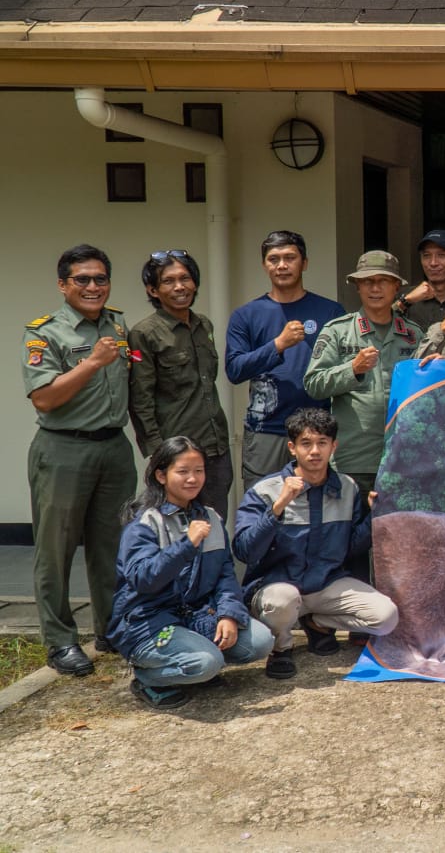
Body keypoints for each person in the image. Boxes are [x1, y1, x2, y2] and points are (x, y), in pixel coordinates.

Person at [23, 244, 138, 675]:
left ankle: (111, 629)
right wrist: (91, 363)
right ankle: (60, 641)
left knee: (113, 546)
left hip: (113, 446)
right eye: (82, 280)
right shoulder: (43, 333)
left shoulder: (119, 323)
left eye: (100, 279)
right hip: (63, 448)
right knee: (56, 550)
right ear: (63, 285)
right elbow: (45, 397)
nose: (93, 287)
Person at [107, 436, 274, 709]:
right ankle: (148, 678)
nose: (192, 479)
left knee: (260, 641)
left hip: (195, 617)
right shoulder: (145, 523)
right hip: (148, 624)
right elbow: (143, 579)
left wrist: (228, 615)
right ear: (161, 475)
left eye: (198, 471)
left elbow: (225, 575)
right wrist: (187, 544)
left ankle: (193, 665)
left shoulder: (210, 518)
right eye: (182, 471)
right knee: (207, 662)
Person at [234, 408, 399, 680]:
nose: (314, 451)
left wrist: (373, 516)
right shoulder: (266, 490)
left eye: (322, 443)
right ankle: (281, 647)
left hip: (326, 583)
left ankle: (316, 622)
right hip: (277, 586)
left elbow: (351, 548)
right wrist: (278, 508)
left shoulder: (348, 487)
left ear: (334, 446)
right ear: (292, 448)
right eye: (306, 444)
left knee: (386, 617)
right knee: (283, 601)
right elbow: (244, 551)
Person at [225, 230, 344, 489]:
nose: (282, 265)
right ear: (264, 265)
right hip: (266, 428)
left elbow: (345, 370)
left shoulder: (331, 311)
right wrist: (278, 345)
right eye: (273, 259)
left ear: (305, 263)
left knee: (316, 506)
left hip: (317, 430)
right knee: (263, 505)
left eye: (290, 257)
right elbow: (234, 370)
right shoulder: (246, 315)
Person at [304, 251, 423, 497]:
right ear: (357, 286)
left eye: (383, 281)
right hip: (354, 459)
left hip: (402, 457)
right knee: (352, 532)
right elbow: (313, 384)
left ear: (396, 286)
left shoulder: (414, 335)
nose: (375, 288)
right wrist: (352, 369)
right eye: (368, 281)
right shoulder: (338, 331)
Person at [127, 250, 233, 519]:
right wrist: (158, 453)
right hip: (176, 453)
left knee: (214, 525)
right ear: (153, 290)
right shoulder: (144, 333)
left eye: (185, 278)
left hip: (215, 448)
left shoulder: (203, 325)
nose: (179, 287)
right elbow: (141, 398)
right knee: (177, 530)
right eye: (168, 281)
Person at [394, 229, 445, 332]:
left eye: (441, 255)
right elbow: (379, 326)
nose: (433, 263)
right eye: (426, 256)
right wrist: (406, 301)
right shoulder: (405, 296)